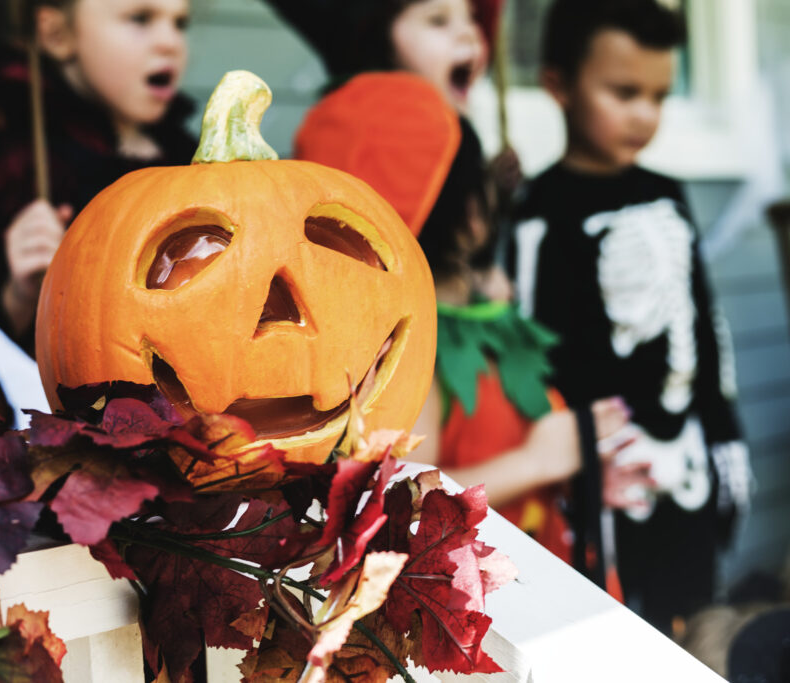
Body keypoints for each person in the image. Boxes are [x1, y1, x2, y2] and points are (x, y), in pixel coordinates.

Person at [296, 70, 646, 569]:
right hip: (494, 606)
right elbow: (406, 503)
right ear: (465, 210)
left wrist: (574, 471)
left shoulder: (479, 312)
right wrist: (537, 462)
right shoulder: (412, 348)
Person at [507, 0, 752, 633]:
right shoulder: (539, 210)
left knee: (699, 618)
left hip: (688, 456)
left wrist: (725, 433)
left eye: (660, 95)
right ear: (558, 85)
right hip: (604, 475)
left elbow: (702, 319)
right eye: (624, 92)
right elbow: (533, 350)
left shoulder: (665, 192)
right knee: (620, 631)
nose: (645, 114)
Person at [0, 0, 195, 355]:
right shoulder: (22, 163)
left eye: (179, 23)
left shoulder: (187, 153)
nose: (170, 42)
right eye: (140, 18)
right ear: (56, 34)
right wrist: (20, 292)